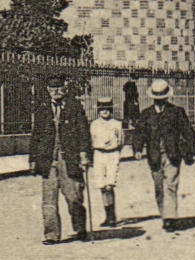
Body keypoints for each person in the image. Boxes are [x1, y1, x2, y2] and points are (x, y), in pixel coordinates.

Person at [29, 74, 91, 245]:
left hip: (69, 158)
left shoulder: (74, 107)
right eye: (52, 88)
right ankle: (51, 234)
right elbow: (36, 135)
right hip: (48, 159)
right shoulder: (42, 109)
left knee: (74, 197)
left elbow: (83, 132)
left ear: (65, 89)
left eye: (58, 88)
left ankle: (80, 228)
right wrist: (33, 158)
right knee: (49, 200)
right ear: (48, 90)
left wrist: (84, 154)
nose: (55, 91)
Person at [133, 78, 195, 230]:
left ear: (167, 97)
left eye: (162, 98)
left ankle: (170, 218)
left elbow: (188, 132)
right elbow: (139, 134)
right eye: (157, 99)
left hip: (173, 155)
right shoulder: (146, 114)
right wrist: (137, 149)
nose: (160, 101)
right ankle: (164, 214)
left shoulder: (176, 112)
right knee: (159, 188)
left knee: (171, 185)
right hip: (154, 156)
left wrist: (193, 150)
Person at [89, 93, 124, 227]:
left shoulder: (117, 124)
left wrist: (115, 153)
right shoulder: (94, 124)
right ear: (98, 110)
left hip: (112, 155)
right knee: (102, 186)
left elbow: (121, 141)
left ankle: (112, 217)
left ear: (111, 110)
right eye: (102, 109)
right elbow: (92, 140)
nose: (105, 111)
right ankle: (107, 216)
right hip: (98, 154)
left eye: (108, 109)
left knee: (109, 185)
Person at [122, 79, 141, 158]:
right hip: (132, 111)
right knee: (134, 131)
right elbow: (134, 95)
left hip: (129, 110)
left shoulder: (127, 85)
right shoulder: (132, 86)